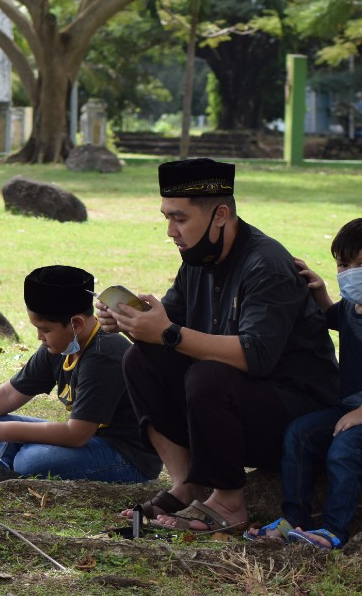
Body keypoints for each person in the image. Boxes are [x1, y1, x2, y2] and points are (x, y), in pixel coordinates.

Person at [102, 158, 338, 532]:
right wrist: (133, 325)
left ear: (221, 214)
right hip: (239, 410)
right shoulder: (196, 261)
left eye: (179, 219)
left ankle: (229, 504)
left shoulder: (267, 265)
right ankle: (189, 485)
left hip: (299, 419)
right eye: (166, 217)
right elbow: (167, 331)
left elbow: (255, 356)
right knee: (140, 359)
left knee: (208, 375)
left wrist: (167, 333)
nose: (169, 231)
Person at [0, 265, 162, 484]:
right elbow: (8, 394)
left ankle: (3, 466)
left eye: (45, 330)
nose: (40, 337)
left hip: (125, 457)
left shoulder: (104, 354)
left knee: (32, 460)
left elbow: (77, 435)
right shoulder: (62, 344)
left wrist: (4, 431)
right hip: (86, 441)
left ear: (77, 323)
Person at [246, 218, 362, 550]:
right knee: (299, 434)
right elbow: (333, 317)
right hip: (347, 409)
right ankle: (293, 519)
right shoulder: (353, 308)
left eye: (360, 265)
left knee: (343, 449)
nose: (351, 272)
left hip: (357, 416)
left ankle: (334, 530)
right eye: (344, 264)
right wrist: (321, 291)